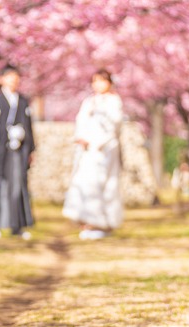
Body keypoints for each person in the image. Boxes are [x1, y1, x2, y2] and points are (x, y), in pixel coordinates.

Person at [62, 69, 124, 240]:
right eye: (95, 80)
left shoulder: (114, 101)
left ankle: (102, 223)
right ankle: (87, 222)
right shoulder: (89, 101)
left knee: (103, 186)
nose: (98, 84)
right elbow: (80, 122)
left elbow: (114, 127)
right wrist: (81, 138)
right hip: (87, 152)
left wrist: (95, 142)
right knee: (84, 184)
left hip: (105, 151)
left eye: (102, 81)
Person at [0, 65, 35, 240]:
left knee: (18, 186)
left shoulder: (23, 101)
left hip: (17, 151)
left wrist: (31, 149)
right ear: (1, 79)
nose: (14, 80)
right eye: (10, 76)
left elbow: (30, 128)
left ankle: (17, 225)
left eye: (16, 76)